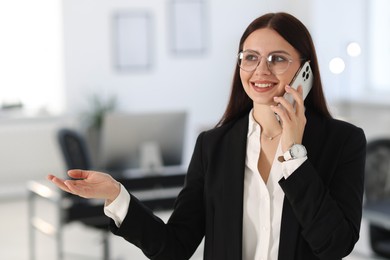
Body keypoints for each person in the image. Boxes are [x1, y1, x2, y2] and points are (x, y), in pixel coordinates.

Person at [48, 12, 366, 260]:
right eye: (250, 57)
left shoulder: (344, 142)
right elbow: (174, 247)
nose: (261, 70)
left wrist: (295, 154)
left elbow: (334, 246)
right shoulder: (213, 147)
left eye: (278, 59)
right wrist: (117, 196)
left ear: (305, 71)